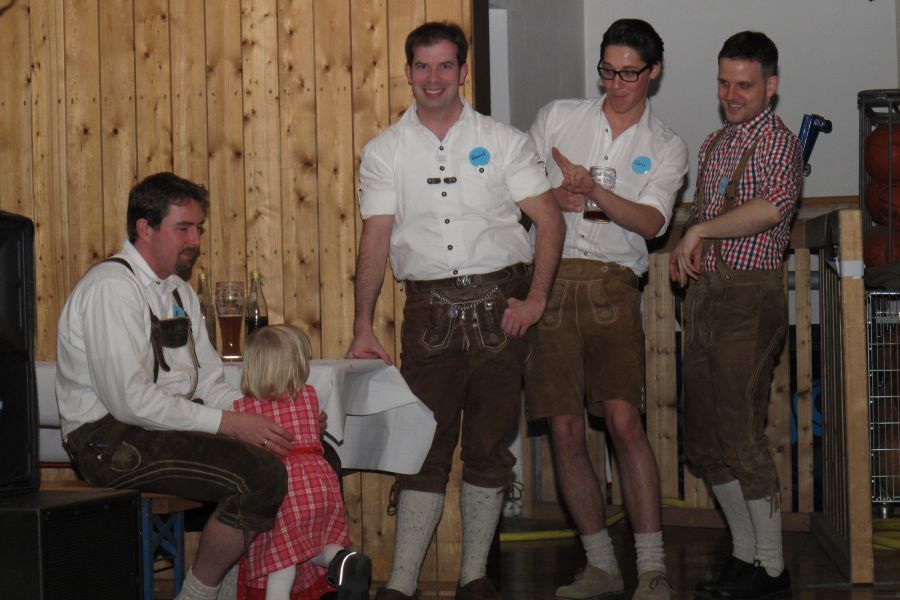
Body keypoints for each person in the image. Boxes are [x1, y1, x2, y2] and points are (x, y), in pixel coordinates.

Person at [347, 21, 564, 600]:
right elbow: (375, 239)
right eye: (423, 66)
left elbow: (550, 220)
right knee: (423, 443)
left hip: (502, 305)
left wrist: (536, 300)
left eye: (445, 65)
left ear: (463, 71)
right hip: (427, 309)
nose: (434, 78)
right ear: (408, 71)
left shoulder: (503, 140)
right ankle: (401, 585)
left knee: (489, 446)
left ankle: (474, 579)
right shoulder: (385, 150)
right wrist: (363, 324)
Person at [56, 172, 293, 600]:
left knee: (304, 452)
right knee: (259, 475)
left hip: (158, 429)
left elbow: (210, 382)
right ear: (145, 228)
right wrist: (230, 425)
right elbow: (129, 402)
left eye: (198, 228)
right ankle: (199, 594)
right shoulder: (112, 288)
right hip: (107, 440)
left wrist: (273, 417)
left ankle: (257, 586)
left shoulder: (179, 292)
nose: (195, 240)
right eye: (183, 228)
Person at [524, 18, 688, 600]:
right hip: (551, 278)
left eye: (629, 74)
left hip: (615, 284)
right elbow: (517, 192)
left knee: (623, 420)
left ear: (654, 72)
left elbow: (653, 224)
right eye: (607, 71)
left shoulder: (665, 144)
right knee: (565, 428)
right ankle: (601, 565)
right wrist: (557, 196)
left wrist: (594, 191)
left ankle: (652, 568)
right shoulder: (557, 117)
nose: (616, 84)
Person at [669, 31, 802, 599]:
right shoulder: (713, 143)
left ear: (771, 86)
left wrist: (699, 229)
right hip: (706, 301)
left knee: (742, 435)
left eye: (744, 85)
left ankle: (771, 568)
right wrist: (688, 242)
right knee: (704, 441)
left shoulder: (780, 143)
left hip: (750, 300)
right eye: (724, 83)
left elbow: (770, 209)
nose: (731, 94)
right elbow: (707, 211)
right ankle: (746, 557)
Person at [234, 325, 371, 600]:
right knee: (317, 544)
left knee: (280, 561)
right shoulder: (309, 396)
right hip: (320, 484)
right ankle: (343, 561)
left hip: (282, 488)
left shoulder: (243, 410)